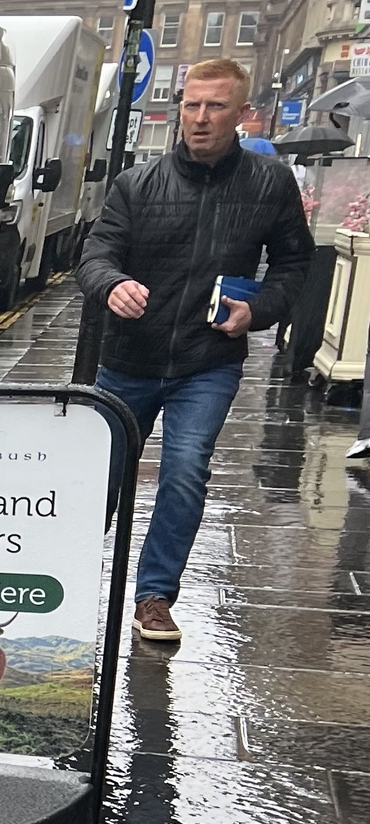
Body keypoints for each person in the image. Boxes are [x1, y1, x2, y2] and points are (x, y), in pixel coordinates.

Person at [75, 57, 310, 644]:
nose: (200, 119)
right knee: (99, 475)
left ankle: (155, 596)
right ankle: (69, 575)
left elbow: (293, 262)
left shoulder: (269, 182)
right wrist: (112, 285)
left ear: (242, 113)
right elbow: (94, 255)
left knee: (184, 471)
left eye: (215, 107)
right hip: (128, 357)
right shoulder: (138, 183)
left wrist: (258, 312)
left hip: (208, 360)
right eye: (191, 106)